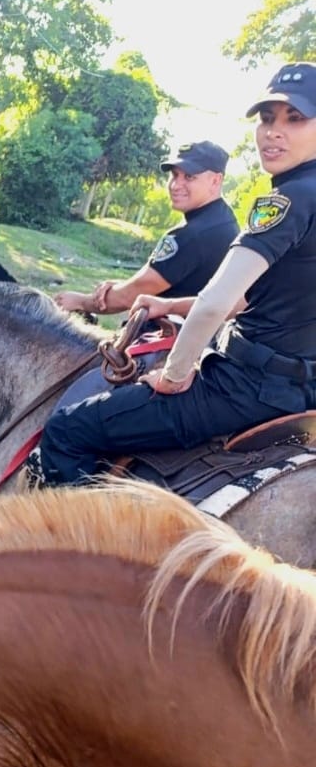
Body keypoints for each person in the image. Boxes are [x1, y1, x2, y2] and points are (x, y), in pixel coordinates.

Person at [37, 62, 316, 486]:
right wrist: (168, 305)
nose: (274, 131)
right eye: (266, 118)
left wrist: (174, 375)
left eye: (295, 119)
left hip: (245, 387)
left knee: (67, 430)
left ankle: (76, 549)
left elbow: (216, 302)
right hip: (302, 388)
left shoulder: (286, 200)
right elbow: (250, 298)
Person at [55, 140, 237, 316]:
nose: (175, 185)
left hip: (174, 340)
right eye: (174, 175)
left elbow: (133, 293)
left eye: (189, 177)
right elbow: (180, 288)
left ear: (215, 181)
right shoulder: (222, 221)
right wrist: (120, 286)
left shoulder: (195, 234)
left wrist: (80, 301)